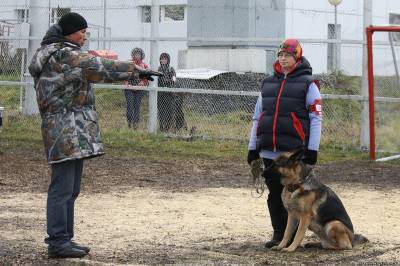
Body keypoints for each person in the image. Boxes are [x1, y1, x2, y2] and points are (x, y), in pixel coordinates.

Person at [28, 12, 160, 259]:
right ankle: (58, 241)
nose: (85, 37)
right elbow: (97, 67)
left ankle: (64, 239)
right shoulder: (64, 55)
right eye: (81, 32)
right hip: (64, 129)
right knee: (63, 187)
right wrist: (136, 70)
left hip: (70, 128)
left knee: (71, 187)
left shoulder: (60, 52)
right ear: (69, 32)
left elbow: (93, 67)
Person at [247, 39, 322, 248]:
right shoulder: (268, 83)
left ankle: (293, 239)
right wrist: (252, 147)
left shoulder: (309, 84)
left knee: (297, 196)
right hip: (269, 151)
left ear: (297, 57)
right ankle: (279, 235)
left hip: (293, 154)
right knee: (274, 195)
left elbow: (316, 118)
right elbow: (257, 116)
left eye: (288, 55)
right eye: (280, 55)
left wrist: (312, 149)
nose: (283, 58)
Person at [124, 47, 149, 129]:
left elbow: (146, 77)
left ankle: (136, 124)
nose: (137, 56)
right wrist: (127, 84)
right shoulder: (129, 63)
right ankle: (129, 123)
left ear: (141, 55)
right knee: (130, 106)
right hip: (129, 88)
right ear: (133, 55)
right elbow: (124, 75)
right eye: (136, 54)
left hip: (140, 89)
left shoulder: (145, 65)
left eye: (139, 54)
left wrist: (141, 83)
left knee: (137, 105)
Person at [157, 52, 177, 132]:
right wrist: (168, 80)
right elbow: (159, 80)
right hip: (160, 93)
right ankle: (161, 127)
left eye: (165, 59)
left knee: (169, 110)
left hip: (169, 93)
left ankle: (167, 127)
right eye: (162, 59)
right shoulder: (158, 69)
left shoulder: (171, 69)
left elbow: (174, 78)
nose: (163, 60)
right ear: (160, 60)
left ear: (168, 60)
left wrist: (170, 80)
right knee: (161, 111)